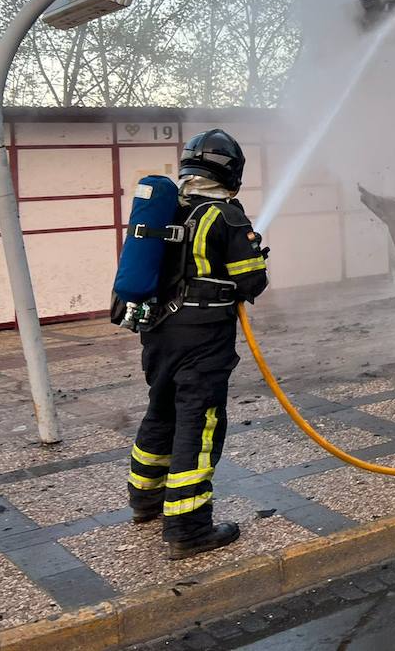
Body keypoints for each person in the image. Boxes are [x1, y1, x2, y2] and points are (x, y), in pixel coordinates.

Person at [125, 129, 269, 560]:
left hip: (159, 332)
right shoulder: (225, 216)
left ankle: (145, 499)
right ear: (231, 171)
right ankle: (188, 528)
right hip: (202, 337)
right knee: (199, 423)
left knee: (161, 410)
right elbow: (251, 282)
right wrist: (256, 256)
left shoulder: (170, 209)